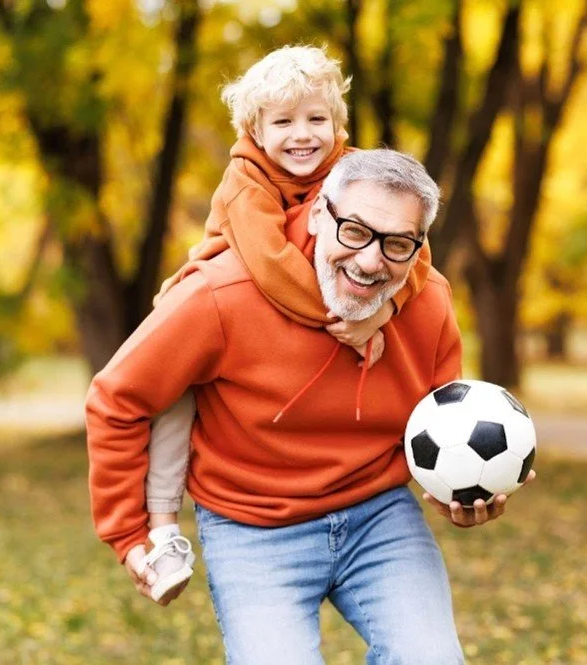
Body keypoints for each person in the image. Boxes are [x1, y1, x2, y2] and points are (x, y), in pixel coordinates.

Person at [87, 149, 532, 663]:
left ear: (419, 245)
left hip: (378, 516)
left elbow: (438, 426)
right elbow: (117, 398)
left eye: (397, 243)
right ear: (320, 212)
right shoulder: (221, 292)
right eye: (356, 231)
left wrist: (457, 492)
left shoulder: (428, 301)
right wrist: (127, 532)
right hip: (252, 525)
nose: (370, 261)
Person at [139, 45, 433, 603]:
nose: (303, 135)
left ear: (339, 124)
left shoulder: (354, 173)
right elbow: (272, 266)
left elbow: (417, 248)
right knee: (176, 409)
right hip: (221, 307)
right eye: (283, 122)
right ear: (254, 130)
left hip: (306, 308)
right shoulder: (245, 180)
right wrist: (341, 317)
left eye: (316, 119)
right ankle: (162, 532)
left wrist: (383, 310)